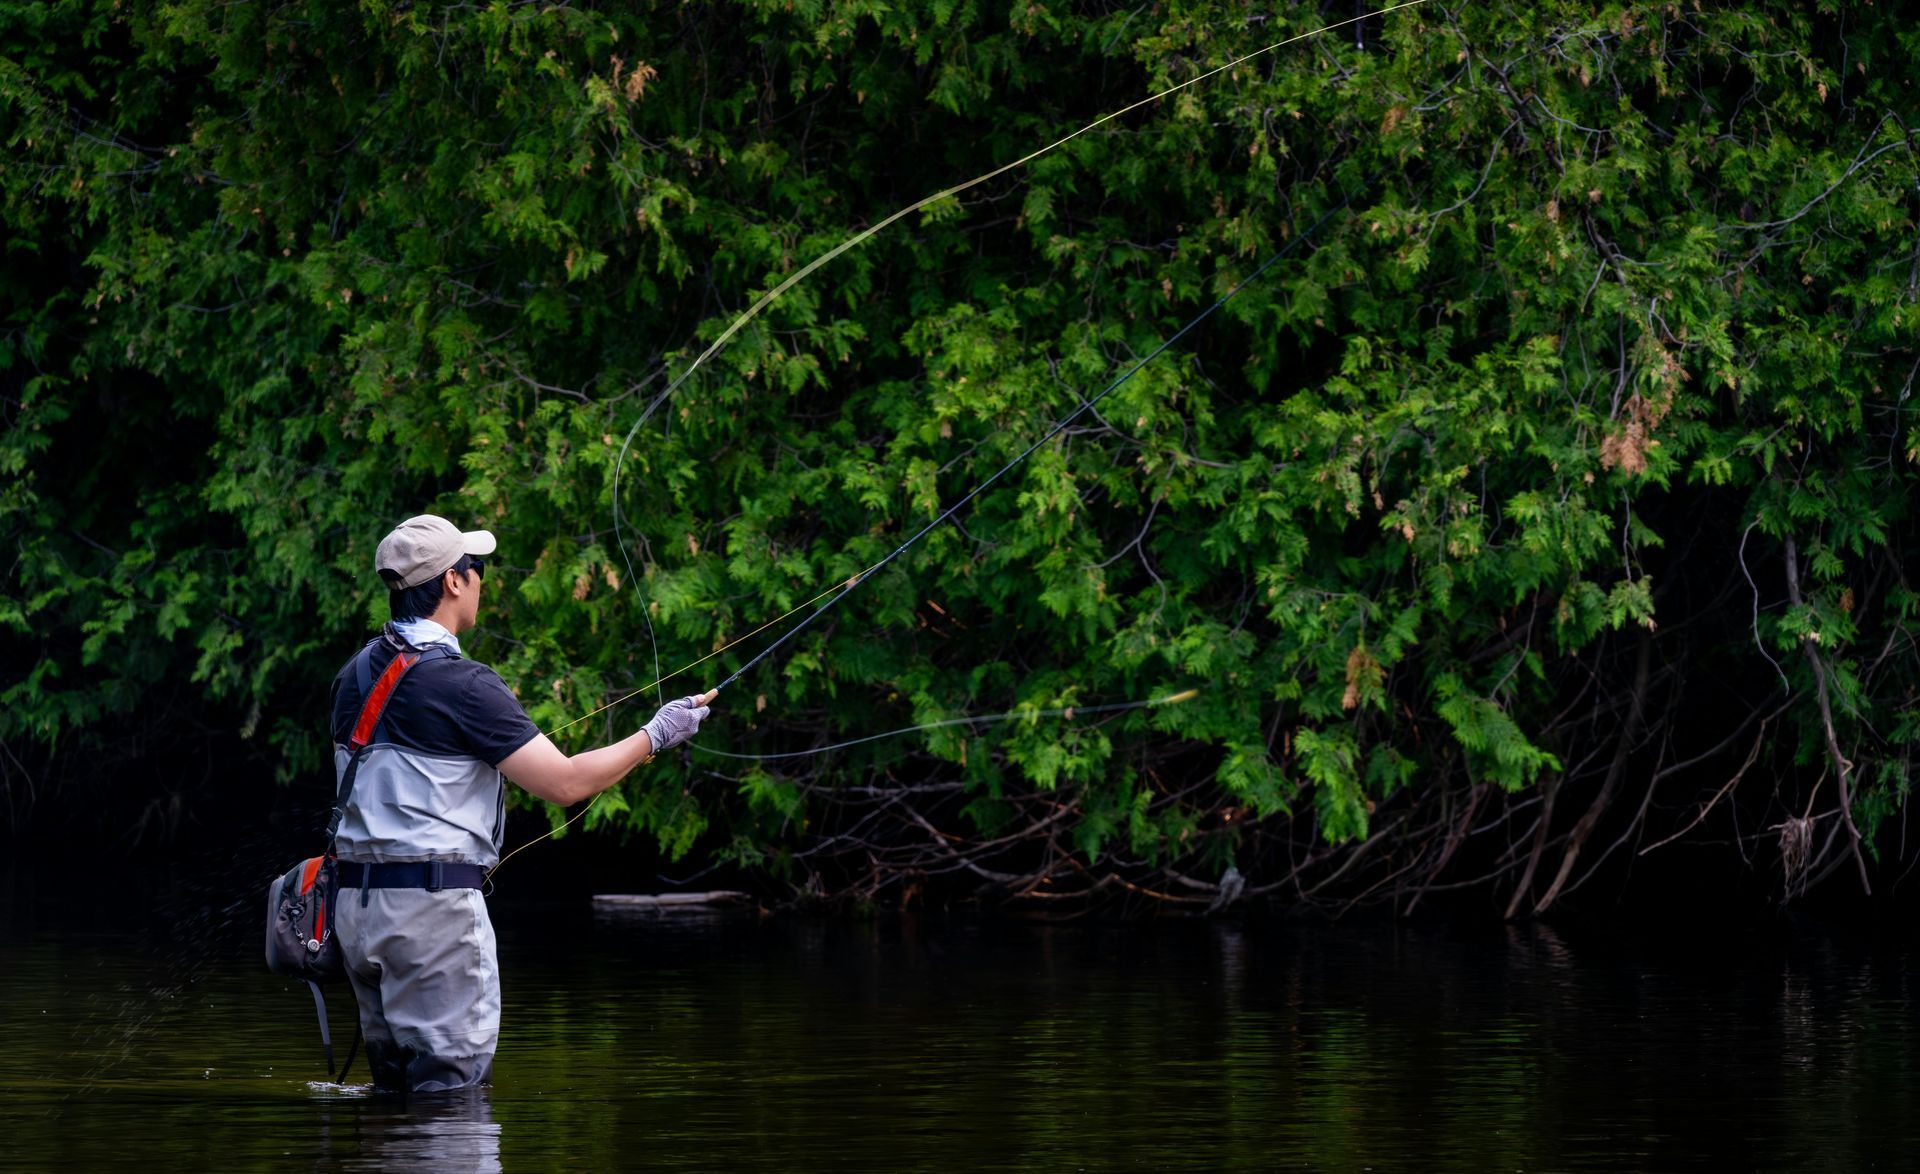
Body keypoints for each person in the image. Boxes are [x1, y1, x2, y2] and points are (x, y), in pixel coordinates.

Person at [328, 513, 714, 1093]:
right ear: (454, 582)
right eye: (475, 568)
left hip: (355, 911)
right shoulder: (464, 684)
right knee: (450, 1096)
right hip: (429, 919)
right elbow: (564, 783)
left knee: (397, 1095)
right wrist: (657, 733)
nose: (482, 579)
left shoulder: (354, 675)